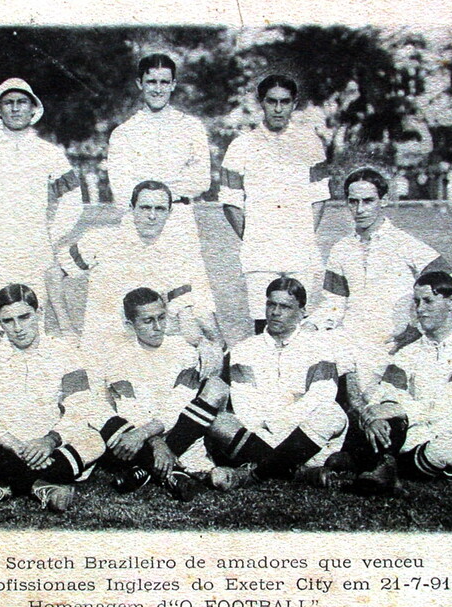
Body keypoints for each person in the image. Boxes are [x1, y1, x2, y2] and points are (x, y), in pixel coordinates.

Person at [0, 284, 107, 512]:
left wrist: (49, 441)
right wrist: (13, 444)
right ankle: (41, 486)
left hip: (47, 446)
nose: (17, 328)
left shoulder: (65, 352)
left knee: (94, 440)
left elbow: (80, 407)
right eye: (8, 321)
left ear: (40, 313)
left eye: (24, 317)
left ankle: (4, 488)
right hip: (1, 444)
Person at [0, 77, 83, 330]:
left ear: (34, 108)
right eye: (8, 103)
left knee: (31, 318)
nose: (16, 108)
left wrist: (50, 234)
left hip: (35, 248)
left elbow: (73, 199)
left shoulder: (49, 152)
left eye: (22, 102)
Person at [337, 271, 452, 493]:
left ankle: (378, 468)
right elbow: (388, 391)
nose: (420, 309)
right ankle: (381, 469)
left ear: (451, 302)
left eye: (428, 301)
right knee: (386, 420)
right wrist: (380, 411)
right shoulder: (408, 351)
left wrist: (399, 409)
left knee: (443, 450)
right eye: (416, 301)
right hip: (417, 432)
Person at [316, 167, 452, 393]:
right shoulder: (341, 249)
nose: (360, 209)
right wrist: (311, 326)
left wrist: (419, 328)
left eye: (368, 201)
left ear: (383, 201)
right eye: (353, 202)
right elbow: (334, 304)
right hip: (351, 341)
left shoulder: (404, 244)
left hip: (394, 343)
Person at [58, 180, 222, 372]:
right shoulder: (101, 240)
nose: (152, 216)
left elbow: (185, 316)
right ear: (131, 208)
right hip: (100, 353)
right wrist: (67, 329)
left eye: (159, 209)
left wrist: (204, 343)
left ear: (169, 213)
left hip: (144, 357)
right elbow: (54, 274)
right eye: (145, 208)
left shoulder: (174, 256)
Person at [208, 278, 350, 491]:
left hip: (305, 441)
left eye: (284, 306)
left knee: (333, 413)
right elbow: (246, 407)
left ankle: (253, 474)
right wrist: (291, 401)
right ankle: (300, 473)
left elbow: (322, 398)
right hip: (261, 435)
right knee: (218, 422)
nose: (275, 312)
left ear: (302, 311)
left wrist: (277, 422)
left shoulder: (320, 347)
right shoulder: (244, 350)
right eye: (271, 304)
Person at [91, 287, 229, 501]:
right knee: (102, 416)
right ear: (130, 325)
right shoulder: (118, 357)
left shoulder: (183, 350)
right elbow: (131, 410)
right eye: (148, 321)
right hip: (139, 439)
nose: (158, 327)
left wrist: (160, 442)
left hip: (179, 433)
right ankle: (171, 473)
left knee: (216, 386)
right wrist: (154, 441)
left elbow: (180, 404)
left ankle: (146, 471)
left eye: (162, 318)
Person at [219, 74, 332, 333]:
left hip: (300, 248)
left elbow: (319, 197)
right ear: (262, 102)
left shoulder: (310, 143)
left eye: (285, 102)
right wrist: (254, 236)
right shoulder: (241, 145)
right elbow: (231, 202)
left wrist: (301, 233)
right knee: (264, 321)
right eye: (272, 102)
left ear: (294, 103)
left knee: (299, 323)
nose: (278, 108)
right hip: (260, 250)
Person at [106, 53, 210, 263]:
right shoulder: (124, 132)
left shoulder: (191, 128)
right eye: (151, 81)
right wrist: (170, 186)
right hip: (138, 221)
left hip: (179, 220)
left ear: (173, 84)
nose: (158, 89)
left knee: (184, 291)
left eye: (164, 82)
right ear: (140, 84)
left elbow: (201, 180)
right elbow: (121, 189)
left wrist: (156, 190)